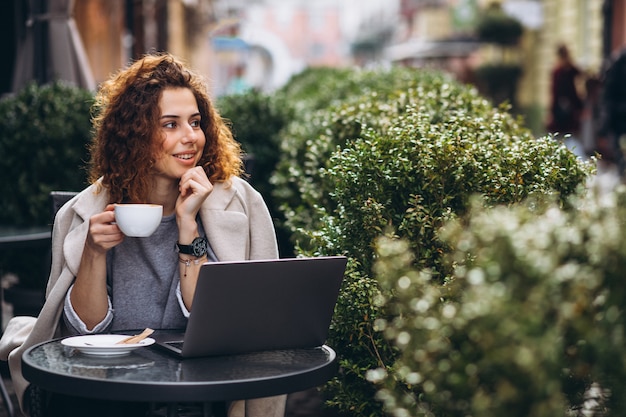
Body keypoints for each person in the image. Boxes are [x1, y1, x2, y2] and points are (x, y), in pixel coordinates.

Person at [0, 52, 285, 417]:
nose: (190, 137)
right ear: (135, 134)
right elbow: (81, 335)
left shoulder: (236, 203)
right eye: (170, 125)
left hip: (203, 385)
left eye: (195, 122)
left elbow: (219, 323)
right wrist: (92, 252)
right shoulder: (84, 212)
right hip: (108, 388)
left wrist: (188, 225)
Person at [546, 44, 584, 141]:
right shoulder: (560, 70)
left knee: (565, 135)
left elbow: (554, 91)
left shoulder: (562, 70)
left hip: (568, 106)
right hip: (565, 106)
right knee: (568, 134)